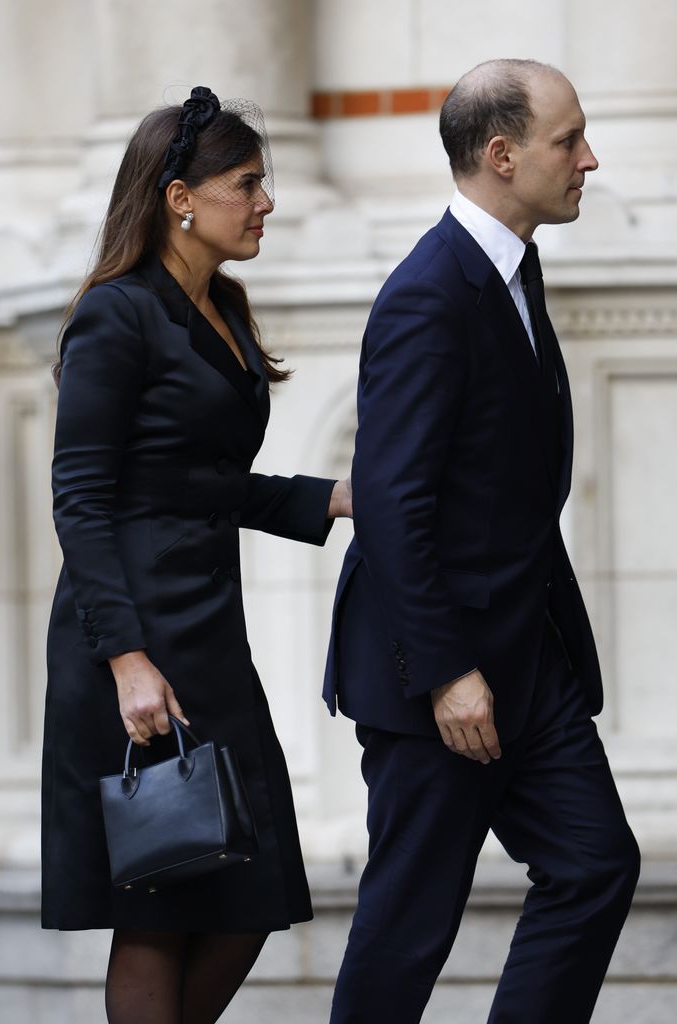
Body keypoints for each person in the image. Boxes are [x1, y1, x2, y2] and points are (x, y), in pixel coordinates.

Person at [323, 59, 640, 1023]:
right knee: (410, 926)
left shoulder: (513, 265)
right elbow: (389, 502)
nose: (589, 158)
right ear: (501, 156)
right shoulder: (428, 293)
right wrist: (449, 671)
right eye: (568, 141)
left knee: (595, 864)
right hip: (442, 676)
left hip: (527, 661)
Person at [42, 86, 352, 1024]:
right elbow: (82, 499)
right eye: (247, 183)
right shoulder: (119, 316)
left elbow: (205, 481)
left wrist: (333, 498)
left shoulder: (221, 306)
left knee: (246, 897)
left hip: (209, 635)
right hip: (131, 643)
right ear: (180, 195)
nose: (266, 203)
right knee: (159, 907)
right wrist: (127, 658)